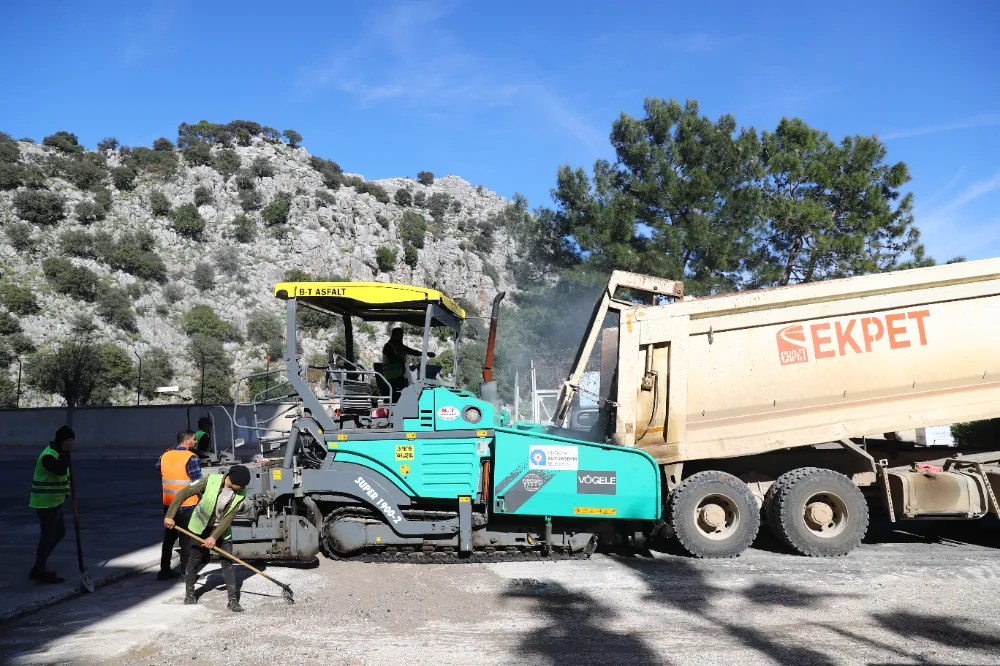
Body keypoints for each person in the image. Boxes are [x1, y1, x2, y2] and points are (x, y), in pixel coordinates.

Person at [164, 465, 251, 612]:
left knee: (227, 562)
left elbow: (228, 518)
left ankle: (233, 601)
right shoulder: (210, 480)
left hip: (222, 530)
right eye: (241, 484)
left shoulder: (241, 492)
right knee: (195, 559)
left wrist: (214, 537)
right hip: (200, 527)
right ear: (232, 479)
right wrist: (170, 515)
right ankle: (190, 594)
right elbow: (183, 493)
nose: (243, 487)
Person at [28, 426, 75, 584]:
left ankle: (39, 564)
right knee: (48, 536)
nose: (70, 446)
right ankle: (39, 569)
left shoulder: (58, 454)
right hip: (45, 503)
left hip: (55, 502)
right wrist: (66, 456)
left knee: (59, 532)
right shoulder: (48, 456)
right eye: (68, 443)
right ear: (61, 441)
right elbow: (60, 470)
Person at [155, 429, 202, 580]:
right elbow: (197, 482)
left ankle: (164, 571)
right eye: (194, 439)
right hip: (187, 504)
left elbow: (157, 467)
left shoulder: (166, 455)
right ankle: (186, 573)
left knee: (169, 538)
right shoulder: (191, 458)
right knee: (187, 539)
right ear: (187, 441)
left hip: (169, 505)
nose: (195, 441)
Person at [381, 327, 433, 399]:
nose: (401, 337)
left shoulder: (400, 346)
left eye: (402, 335)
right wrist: (401, 356)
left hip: (399, 374)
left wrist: (426, 353)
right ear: (394, 335)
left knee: (408, 386)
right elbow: (392, 359)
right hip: (391, 375)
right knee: (408, 388)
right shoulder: (388, 346)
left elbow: (413, 352)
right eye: (400, 335)